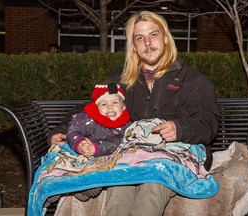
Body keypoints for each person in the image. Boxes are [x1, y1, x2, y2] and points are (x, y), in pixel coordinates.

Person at [49, 10, 220, 216]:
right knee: (119, 184)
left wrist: (180, 128)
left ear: (165, 38)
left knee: (152, 185)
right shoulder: (120, 81)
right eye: (140, 38)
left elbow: (209, 124)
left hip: (174, 155)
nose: (147, 43)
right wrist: (60, 130)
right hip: (131, 153)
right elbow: (91, 109)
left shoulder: (193, 81)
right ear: (134, 45)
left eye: (153, 35)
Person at [66, 83, 131, 158]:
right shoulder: (88, 119)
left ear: (123, 106)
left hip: (115, 157)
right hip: (86, 155)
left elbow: (120, 141)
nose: (110, 107)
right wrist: (80, 144)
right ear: (97, 108)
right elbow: (73, 130)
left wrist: (96, 147)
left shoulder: (128, 124)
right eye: (104, 104)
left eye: (115, 102)